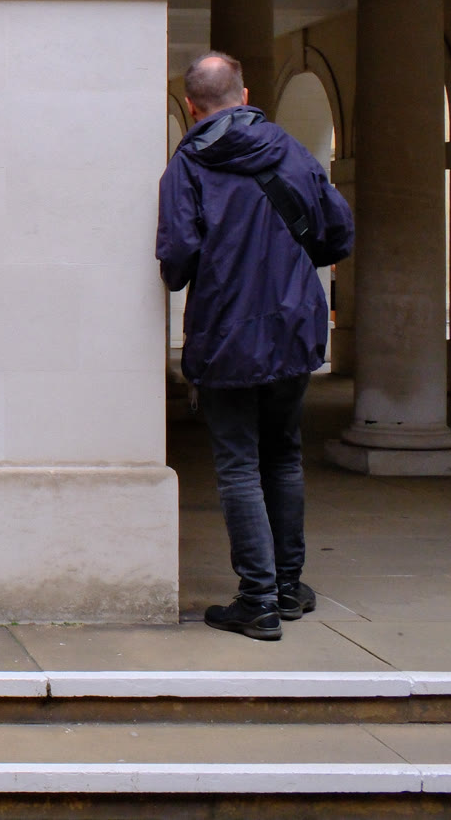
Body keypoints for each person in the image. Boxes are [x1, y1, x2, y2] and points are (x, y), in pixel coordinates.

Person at [157, 50, 354, 641]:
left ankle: (258, 599)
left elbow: (177, 259)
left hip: (225, 333)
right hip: (293, 326)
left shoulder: (187, 165)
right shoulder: (290, 150)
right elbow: (337, 232)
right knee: (284, 454)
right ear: (243, 96)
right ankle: (288, 587)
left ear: (191, 105)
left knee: (238, 463)